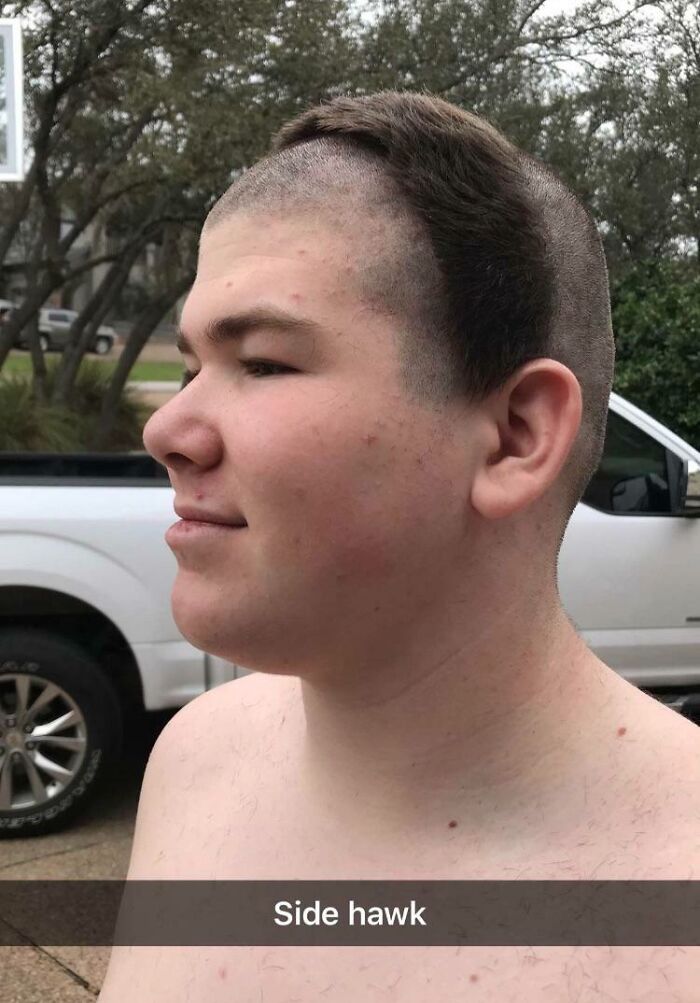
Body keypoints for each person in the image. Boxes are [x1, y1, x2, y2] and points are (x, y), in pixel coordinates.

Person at [98, 91, 699, 1001]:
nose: (169, 428)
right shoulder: (195, 761)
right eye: (190, 367)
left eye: (262, 361)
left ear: (513, 437)